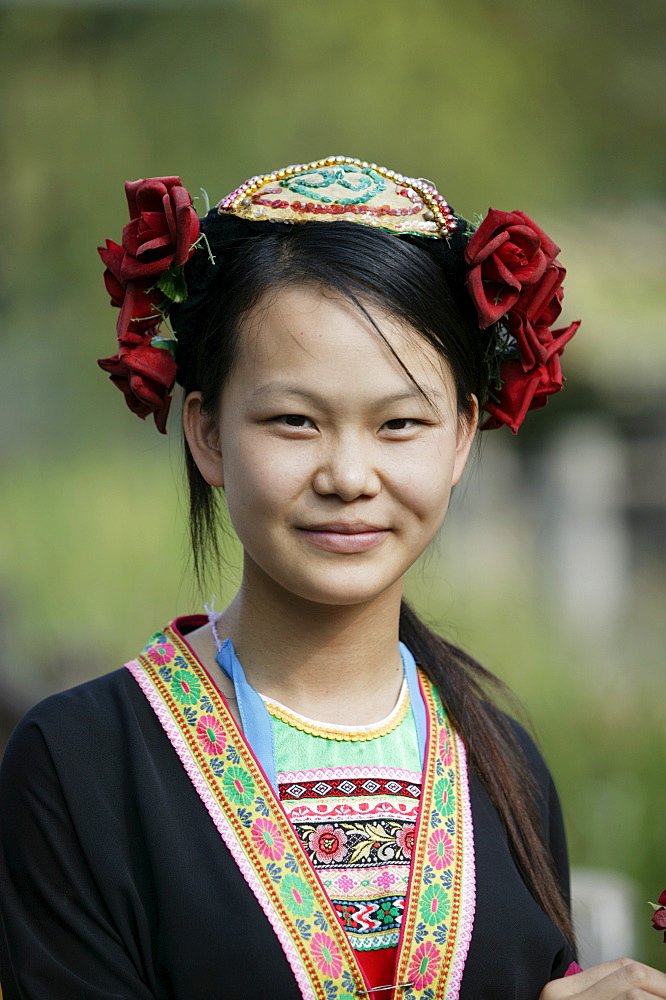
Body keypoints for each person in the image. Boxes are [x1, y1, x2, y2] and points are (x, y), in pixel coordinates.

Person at [0, 159, 663, 1000]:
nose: (349, 474)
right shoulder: (81, 762)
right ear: (206, 433)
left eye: (400, 424)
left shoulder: (506, 771)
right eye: (294, 421)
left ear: (461, 436)